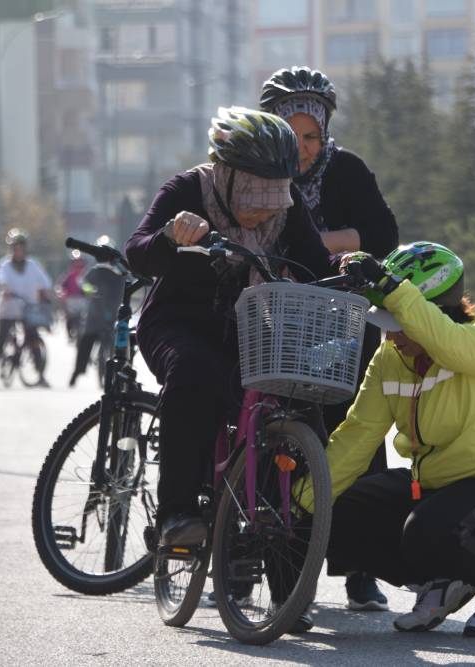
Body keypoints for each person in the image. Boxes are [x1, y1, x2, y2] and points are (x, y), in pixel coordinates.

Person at [296, 242, 475, 638]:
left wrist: (394, 290)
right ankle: (442, 582)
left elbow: (448, 343)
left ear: (432, 313)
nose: (391, 336)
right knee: (338, 510)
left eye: (399, 324)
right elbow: (357, 437)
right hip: (435, 490)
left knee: (428, 528)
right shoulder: (389, 359)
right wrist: (303, 502)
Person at [125, 106, 333, 550]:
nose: (263, 209)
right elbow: (137, 252)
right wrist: (170, 235)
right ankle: (177, 514)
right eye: (254, 196)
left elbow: (317, 264)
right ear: (226, 174)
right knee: (194, 373)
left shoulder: (287, 209)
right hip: (177, 324)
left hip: (251, 332)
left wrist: (351, 266)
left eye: (273, 196)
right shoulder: (188, 190)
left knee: (300, 399)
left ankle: (290, 551)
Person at [261, 65, 400, 611]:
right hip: (273, 320)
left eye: (311, 135)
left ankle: (361, 569)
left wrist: (317, 242)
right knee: (271, 437)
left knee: (357, 440)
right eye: (290, 134)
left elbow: (383, 235)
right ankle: (266, 562)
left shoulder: (348, 170)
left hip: (343, 321)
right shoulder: (256, 171)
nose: (302, 147)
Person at [0, 229, 54, 387]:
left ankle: (40, 374)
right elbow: (2, 280)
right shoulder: (5, 264)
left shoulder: (33, 265)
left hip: (27, 308)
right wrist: (6, 290)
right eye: (15, 248)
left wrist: (46, 293)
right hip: (8, 308)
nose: (18, 251)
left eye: (21, 247)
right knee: (1, 338)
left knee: (33, 338)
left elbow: (45, 282)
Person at [69, 237, 125, 388]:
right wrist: (90, 291)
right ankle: (77, 372)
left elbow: (127, 284)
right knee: (86, 341)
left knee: (117, 344)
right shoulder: (95, 270)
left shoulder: (119, 271)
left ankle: (119, 372)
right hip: (95, 314)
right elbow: (83, 282)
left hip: (113, 313)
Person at [58, 250, 88, 340]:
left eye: (81, 265)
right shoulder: (69, 276)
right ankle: (69, 332)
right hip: (71, 300)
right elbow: (61, 287)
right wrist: (63, 295)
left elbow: (90, 289)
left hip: (83, 300)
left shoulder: (86, 276)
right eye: (76, 265)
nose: (78, 268)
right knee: (69, 316)